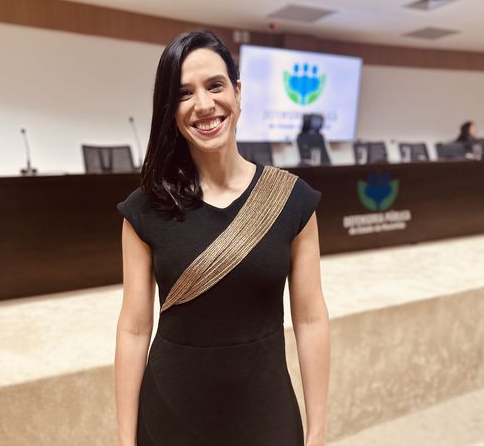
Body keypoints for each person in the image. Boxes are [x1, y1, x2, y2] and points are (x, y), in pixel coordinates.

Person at [114, 30, 330, 446]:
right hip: (171, 417)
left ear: (238, 92)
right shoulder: (145, 209)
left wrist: (317, 430)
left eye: (215, 85)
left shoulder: (292, 200)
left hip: (266, 413)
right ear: (170, 110)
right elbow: (134, 330)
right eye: (184, 93)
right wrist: (126, 441)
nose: (204, 104)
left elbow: (310, 318)